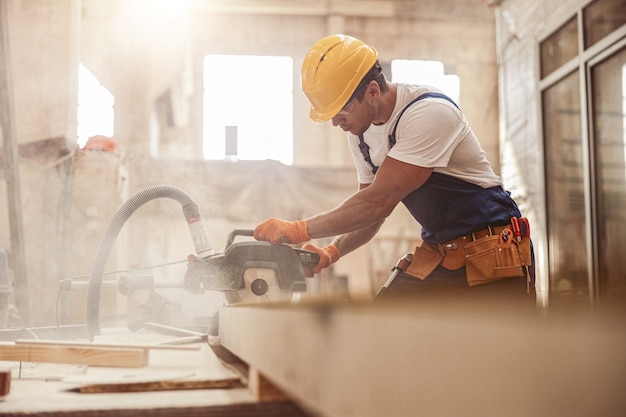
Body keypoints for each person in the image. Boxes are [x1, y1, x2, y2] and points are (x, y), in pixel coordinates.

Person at [253, 34, 535, 301]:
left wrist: (299, 229)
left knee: (496, 348)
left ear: (373, 91)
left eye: (342, 111)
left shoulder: (429, 113)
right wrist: (331, 251)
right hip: (442, 253)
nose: (336, 123)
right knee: (381, 332)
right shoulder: (360, 132)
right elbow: (367, 213)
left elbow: (378, 204)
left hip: (493, 251)